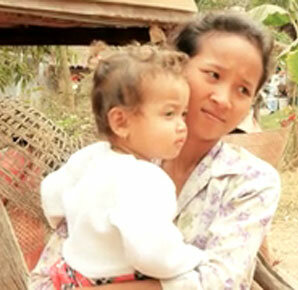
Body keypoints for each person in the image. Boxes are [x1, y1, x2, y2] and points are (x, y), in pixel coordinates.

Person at [30, 11, 281, 290]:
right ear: (177, 68)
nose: (223, 99)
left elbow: (217, 282)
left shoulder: (250, 181)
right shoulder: (108, 161)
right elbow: (46, 273)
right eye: (213, 74)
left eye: (243, 90)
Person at [40, 49, 205, 289]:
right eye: (169, 114)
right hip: (117, 280)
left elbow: (51, 194)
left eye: (184, 114)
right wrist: (190, 259)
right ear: (121, 122)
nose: (182, 126)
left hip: (71, 276)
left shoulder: (90, 156)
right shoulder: (146, 179)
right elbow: (153, 254)